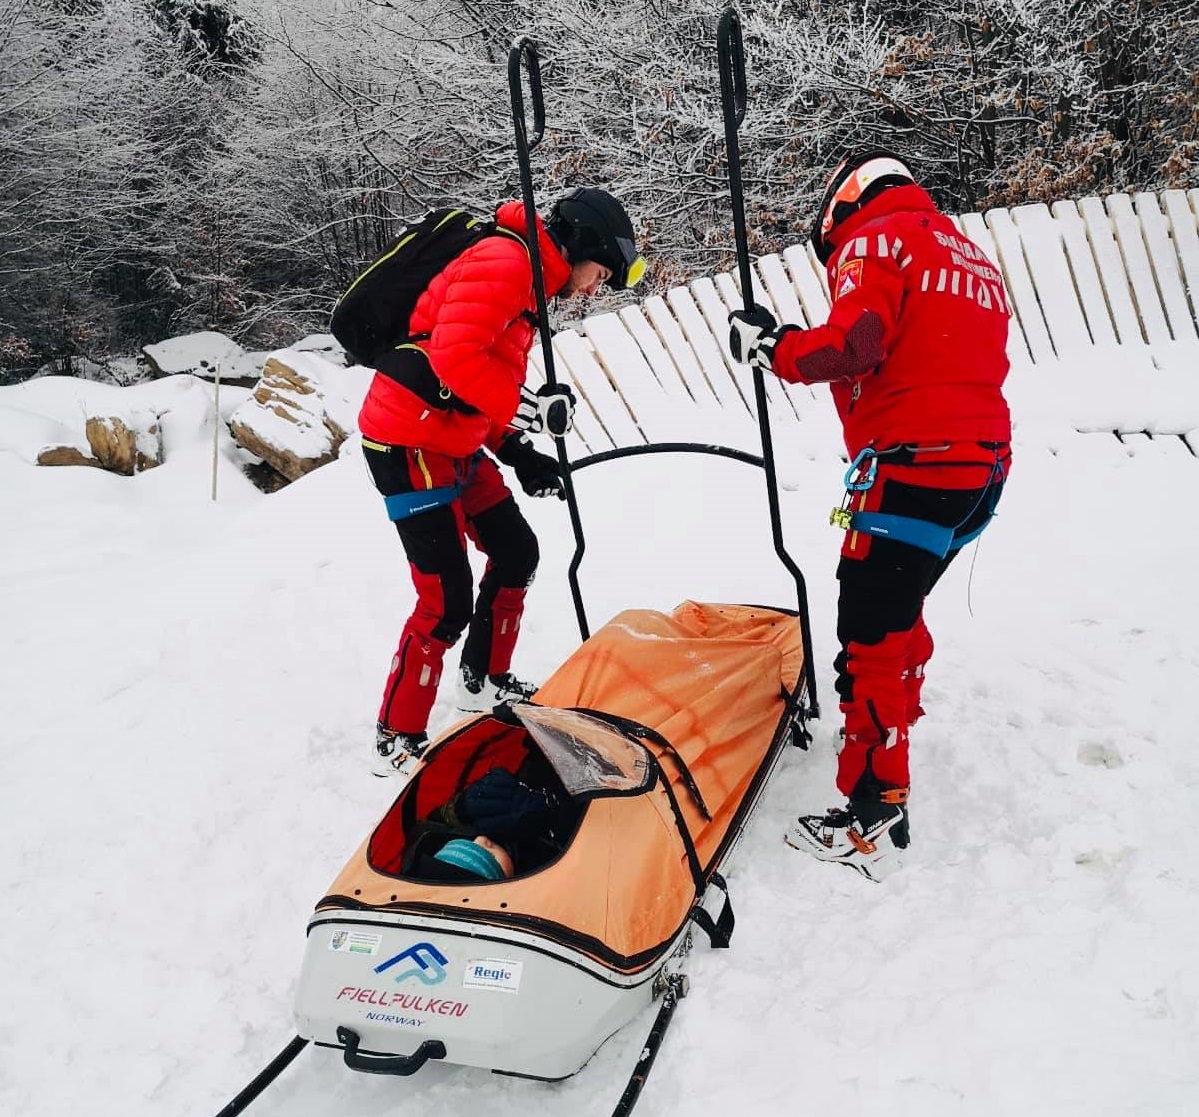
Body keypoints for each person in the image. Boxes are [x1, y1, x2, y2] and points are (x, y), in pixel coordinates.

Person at [728, 150, 1012, 881]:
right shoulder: (965, 251)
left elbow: (856, 342)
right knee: (898, 608)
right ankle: (883, 728)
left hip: (913, 467)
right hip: (979, 469)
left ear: (841, 204)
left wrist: (774, 348)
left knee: (869, 636)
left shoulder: (874, 239)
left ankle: (873, 808)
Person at [356, 187, 646, 779]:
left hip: (453, 436)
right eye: (599, 273)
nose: (593, 288)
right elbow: (453, 360)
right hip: (408, 441)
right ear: (583, 246)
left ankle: (482, 677)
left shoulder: (531, 278)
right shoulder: (507, 262)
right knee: (445, 600)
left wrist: (516, 449)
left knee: (516, 552)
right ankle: (397, 732)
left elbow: (476, 374)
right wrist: (529, 411)